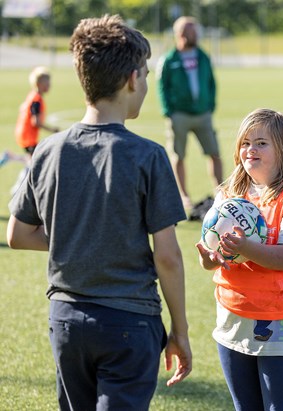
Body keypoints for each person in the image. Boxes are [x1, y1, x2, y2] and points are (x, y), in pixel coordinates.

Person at [7, 15, 192, 410]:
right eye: (144, 74)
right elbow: (168, 257)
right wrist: (181, 329)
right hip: (129, 321)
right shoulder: (148, 156)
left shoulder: (49, 150)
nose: (145, 84)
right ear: (130, 80)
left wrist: (79, 241)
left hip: (66, 319)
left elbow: (18, 235)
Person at [195, 108, 283, 410]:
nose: (251, 150)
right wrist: (211, 258)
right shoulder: (228, 195)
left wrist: (244, 246)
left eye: (262, 143)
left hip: (282, 321)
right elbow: (211, 259)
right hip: (232, 317)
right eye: (245, 143)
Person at [157, 16, 223, 209]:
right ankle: (183, 194)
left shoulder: (203, 56)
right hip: (179, 115)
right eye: (189, 31)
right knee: (179, 155)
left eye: (194, 31)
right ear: (179, 34)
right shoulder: (170, 59)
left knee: (214, 152)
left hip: (203, 114)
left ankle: (219, 191)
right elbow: (162, 86)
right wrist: (169, 111)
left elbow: (211, 82)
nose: (193, 35)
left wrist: (210, 105)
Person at [8, 66, 60, 192]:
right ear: (38, 84)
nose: (49, 85)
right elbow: (35, 122)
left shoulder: (33, 96)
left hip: (24, 134)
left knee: (32, 160)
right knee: (34, 162)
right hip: (27, 136)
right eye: (46, 82)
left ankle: (11, 159)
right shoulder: (37, 100)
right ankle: (18, 188)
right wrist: (52, 130)